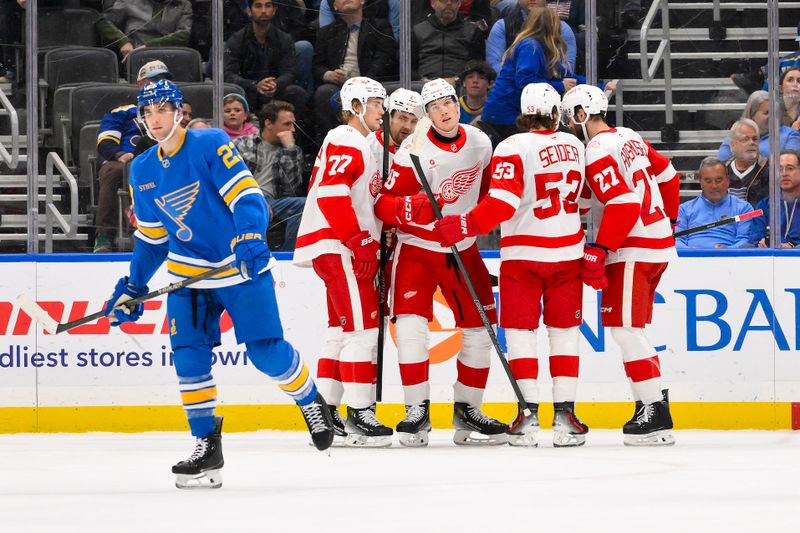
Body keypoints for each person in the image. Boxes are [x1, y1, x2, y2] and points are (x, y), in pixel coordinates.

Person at [103, 79, 333, 489]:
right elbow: (153, 239)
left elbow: (246, 196)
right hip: (187, 277)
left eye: (162, 111)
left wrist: (249, 234)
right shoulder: (143, 169)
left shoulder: (208, 144)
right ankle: (206, 445)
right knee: (189, 359)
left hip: (238, 267)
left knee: (266, 354)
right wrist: (134, 286)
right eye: (148, 113)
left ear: (178, 112)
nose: (155, 121)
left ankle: (309, 399)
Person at [434, 83, 589, 447]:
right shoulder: (575, 146)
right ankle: (566, 416)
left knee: (521, 334)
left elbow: (501, 205)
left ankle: (528, 415)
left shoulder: (513, 147)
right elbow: (583, 199)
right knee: (563, 334)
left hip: (524, 257)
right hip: (568, 253)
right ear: (555, 114)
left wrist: (463, 225)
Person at [374, 78, 507, 447]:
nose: (444, 111)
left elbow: (487, 194)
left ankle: (468, 410)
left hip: (463, 248)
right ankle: (416, 410)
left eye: (448, 102)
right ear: (426, 115)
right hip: (417, 247)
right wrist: (407, 208)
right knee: (413, 329)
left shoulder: (481, 143)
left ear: (458, 104)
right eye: (435, 107)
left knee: (481, 332)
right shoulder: (411, 153)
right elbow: (384, 204)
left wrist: (471, 222)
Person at [562, 84, 679, 446]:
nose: (569, 125)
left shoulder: (596, 150)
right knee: (633, 330)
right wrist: (668, 222)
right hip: (656, 246)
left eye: (570, 118)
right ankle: (653, 402)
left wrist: (599, 248)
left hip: (631, 250)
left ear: (582, 114)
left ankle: (654, 409)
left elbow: (624, 204)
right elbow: (669, 176)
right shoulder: (628, 136)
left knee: (626, 331)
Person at [293, 77, 394, 447]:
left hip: (337, 245)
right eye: (376, 103)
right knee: (362, 332)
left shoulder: (360, 143)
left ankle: (330, 412)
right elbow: (333, 196)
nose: (381, 111)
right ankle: (359, 413)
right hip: (339, 246)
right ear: (356, 106)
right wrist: (360, 241)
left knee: (339, 331)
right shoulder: (347, 139)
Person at [93, 60, 173, 253]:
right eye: (152, 81)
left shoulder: (174, 112)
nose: (157, 85)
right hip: (127, 163)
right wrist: (121, 155)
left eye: (162, 81)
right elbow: (106, 143)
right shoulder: (122, 112)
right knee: (112, 171)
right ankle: (105, 235)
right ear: (140, 85)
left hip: (164, 162)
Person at [481, 6, 582, 140]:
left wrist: (601, 86)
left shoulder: (542, 49)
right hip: (505, 116)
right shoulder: (530, 47)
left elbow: (566, 75)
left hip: (515, 115)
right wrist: (560, 86)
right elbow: (524, 82)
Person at [312, 0, 397, 137]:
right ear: (334, 6)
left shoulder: (379, 26)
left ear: (363, 1)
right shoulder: (327, 32)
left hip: (372, 83)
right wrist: (329, 75)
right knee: (324, 93)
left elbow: (385, 59)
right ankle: (335, 140)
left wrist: (362, 82)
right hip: (339, 86)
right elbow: (317, 66)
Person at [234, 101, 306, 251]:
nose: (292, 129)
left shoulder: (293, 150)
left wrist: (289, 149)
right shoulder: (241, 144)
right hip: (244, 198)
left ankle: (287, 255)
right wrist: (256, 199)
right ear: (268, 123)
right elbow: (232, 180)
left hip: (275, 202)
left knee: (305, 204)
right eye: (287, 124)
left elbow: (291, 188)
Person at [223, 0, 310, 117]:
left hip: (276, 91)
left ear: (274, 10)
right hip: (249, 91)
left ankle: (294, 133)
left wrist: (275, 84)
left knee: (296, 92)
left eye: (268, 6)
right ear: (249, 11)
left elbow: (289, 72)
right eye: (258, 6)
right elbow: (229, 74)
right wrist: (255, 85)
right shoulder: (237, 40)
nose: (263, 11)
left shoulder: (284, 39)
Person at [676, 157, 754, 249]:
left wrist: (727, 250)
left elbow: (745, 241)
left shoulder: (744, 208)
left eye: (718, 180)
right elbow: (677, 240)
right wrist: (691, 252)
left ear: (728, 180)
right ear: (700, 182)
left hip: (729, 259)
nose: (714, 186)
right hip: (691, 259)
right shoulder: (684, 209)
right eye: (708, 181)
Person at [486, 0, 577, 75]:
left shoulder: (562, 28)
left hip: (551, 91)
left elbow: (568, 68)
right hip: (510, 90)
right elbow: (494, 66)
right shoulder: (502, 26)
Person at [411, 0, 486, 83]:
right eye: (443, 0)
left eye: (454, 1)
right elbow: (408, 67)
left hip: (460, 86)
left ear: (459, 4)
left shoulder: (473, 31)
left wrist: (457, 80)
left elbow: (477, 66)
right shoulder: (417, 30)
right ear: (433, 3)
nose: (449, 3)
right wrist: (423, 81)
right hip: (422, 84)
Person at [96, 0, 193, 61]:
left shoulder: (184, 4)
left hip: (169, 57)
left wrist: (148, 46)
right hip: (137, 57)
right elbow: (103, 21)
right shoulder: (129, 2)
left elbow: (183, 35)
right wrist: (123, 42)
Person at [718, 90, 800, 161]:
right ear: (752, 114)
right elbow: (724, 161)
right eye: (766, 113)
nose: (772, 116)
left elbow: (790, 162)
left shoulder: (791, 135)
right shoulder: (734, 137)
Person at [751, 151, 800, 248]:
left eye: (790, 168)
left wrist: (793, 246)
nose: (784, 173)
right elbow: (755, 237)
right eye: (779, 169)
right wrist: (761, 243)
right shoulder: (764, 205)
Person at [367, 88, 423, 164]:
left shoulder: (423, 152)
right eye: (403, 119)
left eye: (414, 121)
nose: (408, 127)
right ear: (389, 117)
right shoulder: (368, 144)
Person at [724, 119, 769, 208]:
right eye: (746, 139)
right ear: (732, 144)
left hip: (757, 220)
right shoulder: (722, 170)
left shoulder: (770, 170)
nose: (752, 142)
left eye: (755, 139)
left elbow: (767, 210)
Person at [458, 60, 496, 124]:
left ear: (490, 84)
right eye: (470, 77)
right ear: (464, 82)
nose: (475, 81)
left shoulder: (495, 108)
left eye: (481, 78)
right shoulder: (454, 107)